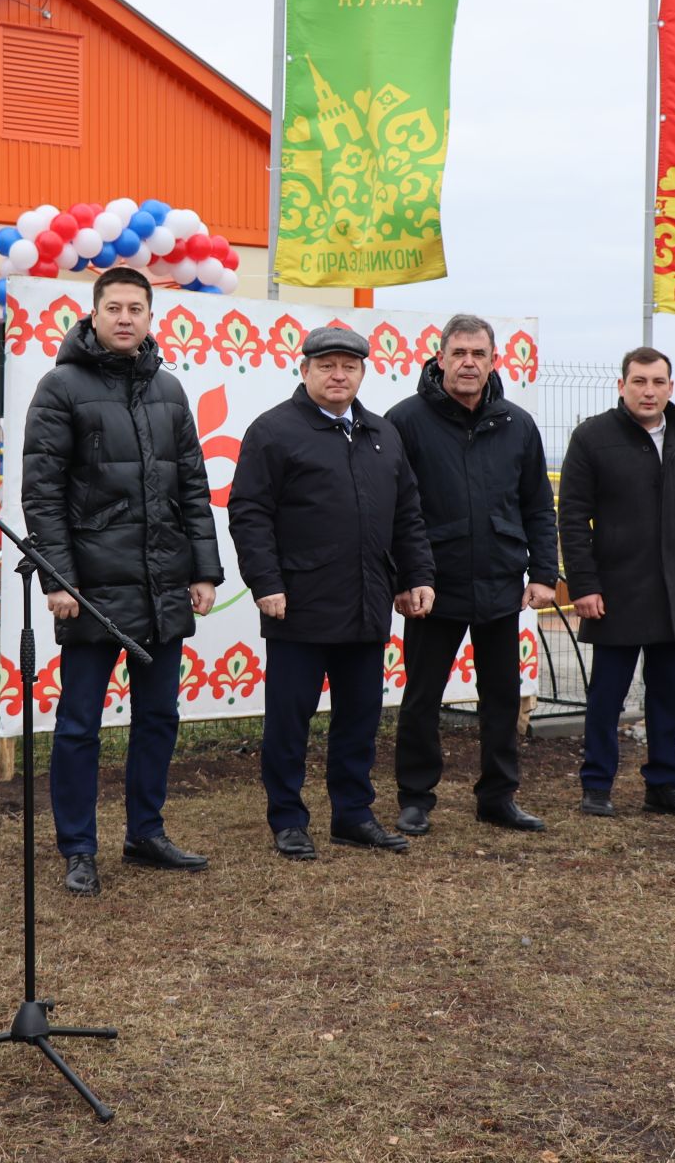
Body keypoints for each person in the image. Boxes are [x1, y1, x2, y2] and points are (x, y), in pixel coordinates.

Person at [22, 265, 223, 898]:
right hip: (91, 592)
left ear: (149, 316)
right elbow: (42, 493)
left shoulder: (169, 390)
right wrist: (59, 580)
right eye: (115, 308)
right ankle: (79, 847)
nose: (126, 318)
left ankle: (146, 833)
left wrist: (204, 569)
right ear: (94, 313)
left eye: (137, 308)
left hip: (164, 584)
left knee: (158, 716)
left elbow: (192, 485)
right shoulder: (60, 388)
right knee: (80, 724)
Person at [228, 326, 435, 861]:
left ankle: (353, 814)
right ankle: (288, 819)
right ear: (305, 371)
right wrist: (266, 582)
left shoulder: (382, 434)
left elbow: (408, 514)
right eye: (326, 365)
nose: (338, 374)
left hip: (368, 602)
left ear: (363, 372)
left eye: (348, 365)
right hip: (299, 602)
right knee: (290, 720)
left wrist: (417, 576)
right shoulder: (273, 431)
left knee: (360, 717)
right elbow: (249, 513)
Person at [386, 314, 561, 836]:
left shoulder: (517, 424)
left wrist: (544, 572)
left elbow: (538, 507)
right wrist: (403, 578)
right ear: (439, 358)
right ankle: (416, 799)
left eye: (478, 354)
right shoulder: (405, 421)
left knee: (503, 696)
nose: (468, 362)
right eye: (458, 353)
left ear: (492, 361)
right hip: (431, 587)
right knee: (422, 696)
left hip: (501, 583)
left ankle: (498, 797)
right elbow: (392, 509)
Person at [558, 346, 675, 820]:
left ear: (671, 387)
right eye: (639, 381)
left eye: (657, 382)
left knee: (668, 695)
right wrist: (584, 585)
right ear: (622, 385)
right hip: (615, 592)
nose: (648, 391)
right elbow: (572, 518)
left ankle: (664, 786)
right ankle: (596, 786)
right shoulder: (592, 437)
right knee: (606, 696)